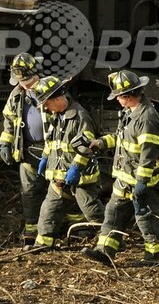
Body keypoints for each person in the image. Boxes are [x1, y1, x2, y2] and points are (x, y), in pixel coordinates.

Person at [81, 70, 159, 267]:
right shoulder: (130, 113)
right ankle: (105, 251)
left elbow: (149, 153)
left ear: (128, 96)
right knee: (113, 213)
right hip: (124, 178)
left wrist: (142, 182)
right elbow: (122, 138)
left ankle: (155, 257)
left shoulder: (146, 117)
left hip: (142, 181)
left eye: (118, 96)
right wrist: (100, 143)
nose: (117, 100)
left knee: (147, 218)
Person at [27, 75, 104, 251]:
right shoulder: (56, 116)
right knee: (49, 210)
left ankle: (110, 241)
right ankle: (43, 244)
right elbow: (52, 142)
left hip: (81, 178)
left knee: (92, 210)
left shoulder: (80, 116)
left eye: (47, 103)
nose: (46, 108)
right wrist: (45, 158)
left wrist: (76, 168)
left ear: (57, 98)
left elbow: (88, 147)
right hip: (59, 177)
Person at [0, 52, 48, 246]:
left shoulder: (51, 90)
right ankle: (31, 229)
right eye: (21, 81)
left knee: (59, 191)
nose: (25, 85)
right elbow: (9, 120)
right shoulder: (17, 94)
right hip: (27, 151)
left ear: (37, 73)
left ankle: (59, 228)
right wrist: (5, 143)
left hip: (52, 151)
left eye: (28, 81)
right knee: (29, 192)